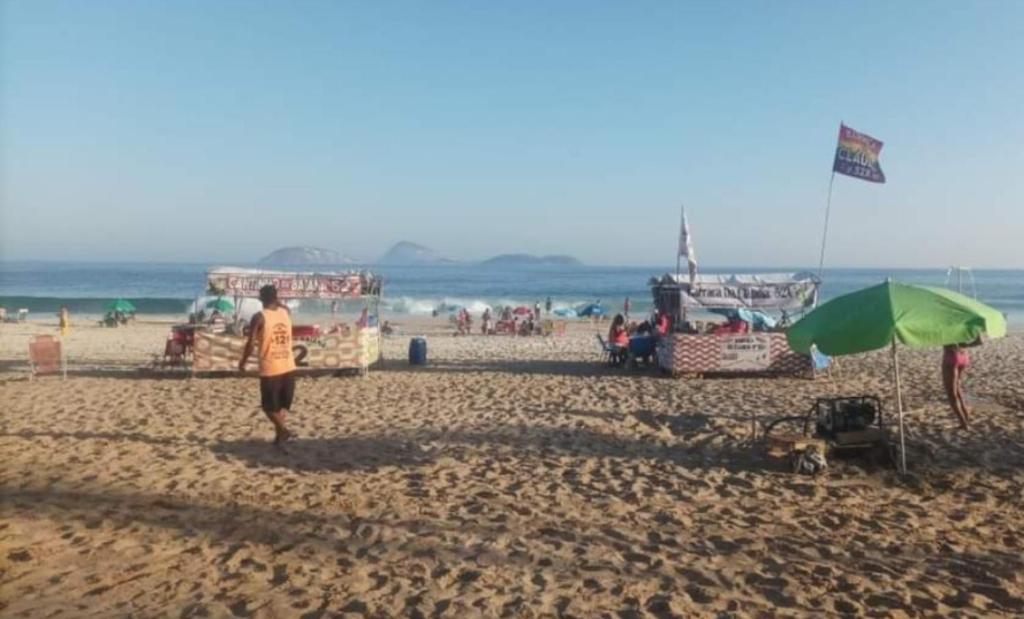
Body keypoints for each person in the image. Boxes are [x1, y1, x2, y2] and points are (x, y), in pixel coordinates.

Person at [239, 285, 297, 448]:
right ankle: (279, 440)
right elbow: (281, 306)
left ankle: (284, 431)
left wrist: (243, 361)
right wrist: (277, 301)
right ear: (276, 297)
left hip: (271, 366)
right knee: (281, 405)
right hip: (288, 364)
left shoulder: (259, 317)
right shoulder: (286, 312)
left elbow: (251, 343)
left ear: (260, 298)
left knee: (268, 407)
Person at [942, 343, 973, 429]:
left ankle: (964, 423)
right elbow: (975, 341)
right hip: (964, 355)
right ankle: (966, 417)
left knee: (951, 392)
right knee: (958, 387)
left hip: (951, 354)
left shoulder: (946, 328)